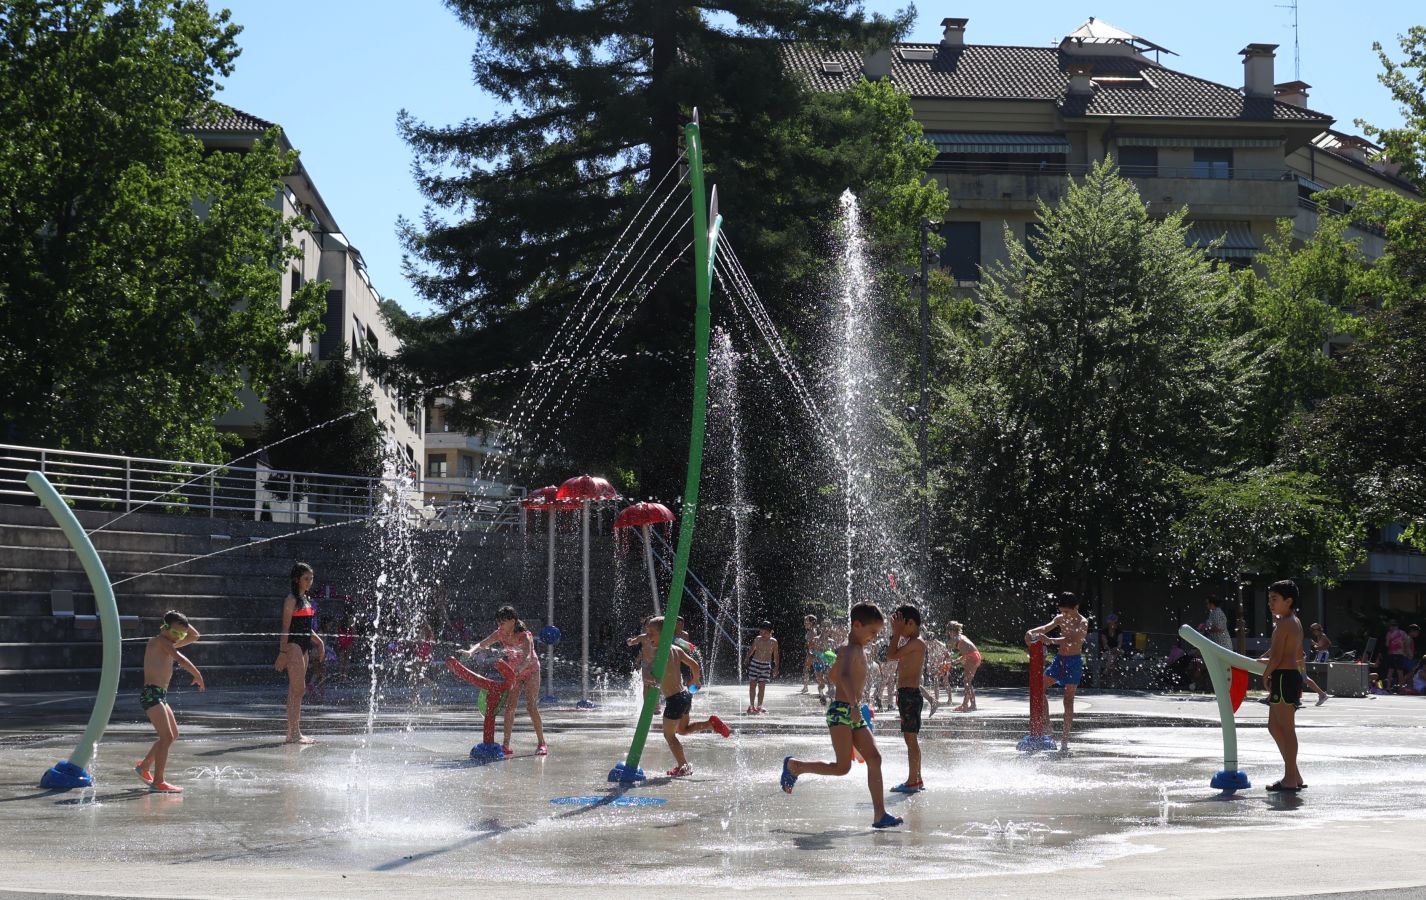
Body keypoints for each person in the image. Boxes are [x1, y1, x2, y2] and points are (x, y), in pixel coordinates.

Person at [779, 603, 902, 829]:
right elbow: (843, 674)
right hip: (842, 712)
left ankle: (880, 814)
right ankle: (795, 766)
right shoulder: (849, 649)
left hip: (853, 711)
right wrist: (854, 704)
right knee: (842, 767)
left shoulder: (853, 649)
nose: (874, 638)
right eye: (872, 632)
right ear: (857, 625)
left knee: (874, 758)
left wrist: (856, 701)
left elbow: (834, 675)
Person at [641, 615, 730, 776]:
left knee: (669, 735)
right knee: (683, 730)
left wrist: (648, 676)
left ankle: (683, 766)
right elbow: (694, 665)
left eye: (651, 633)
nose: (648, 637)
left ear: (664, 634)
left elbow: (649, 674)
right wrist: (695, 680)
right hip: (685, 695)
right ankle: (711, 724)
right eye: (647, 633)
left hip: (674, 700)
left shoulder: (658, 653)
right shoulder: (677, 649)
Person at [135, 611, 204, 793]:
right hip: (151, 694)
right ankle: (158, 781)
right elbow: (180, 659)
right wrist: (197, 675)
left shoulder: (170, 641)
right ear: (164, 628)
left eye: (181, 635)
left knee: (172, 735)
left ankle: (143, 766)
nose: (179, 638)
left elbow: (195, 635)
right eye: (176, 633)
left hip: (160, 695)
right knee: (165, 737)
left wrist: (180, 621)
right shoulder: (159, 642)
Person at [465, 605, 547, 756]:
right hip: (513, 673)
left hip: (531, 671)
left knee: (531, 706)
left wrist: (518, 669)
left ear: (513, 621)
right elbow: (483, 643)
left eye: (502, 622)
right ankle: (505, 745)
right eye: (498, 622)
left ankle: (542, 743)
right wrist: (470, 652)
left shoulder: (524, 635)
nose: (499, 625)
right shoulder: (500, 633)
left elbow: (528, 657)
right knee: (510, 707)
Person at [1026, 592, 1088, 752]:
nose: (1064, 615)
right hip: (1060, 660)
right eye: (1062, 611)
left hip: (1074, 662)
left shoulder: (1083, 622)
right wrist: (1031, 631)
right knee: (1039, 688)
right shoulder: (1060, 618)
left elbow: (1072, 639)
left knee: (1068, 701)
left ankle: (1065, 740)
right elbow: (1045, 628)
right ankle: (1048, 725)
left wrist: (1050, 640)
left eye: (1067, 611)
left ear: (1076, 608)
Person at [1261, 579, 1307, 792]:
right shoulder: (1294, 621)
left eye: (1274, 599)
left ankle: (1290, 779)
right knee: (1274, 727)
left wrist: (1265, 674)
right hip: (1289, 676)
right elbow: (1298, 654)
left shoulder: (1285, 624)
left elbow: (1278, 657)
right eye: (1269, 599)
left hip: (1283, 676)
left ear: (1288, 601)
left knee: (1287, 729)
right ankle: (1294, 774)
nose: (1270, 603)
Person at [276, 562, 324, 744]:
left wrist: (318, 642)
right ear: (296, 579)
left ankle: (292, 732)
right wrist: (282, 652)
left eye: (311, 578)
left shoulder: (306, 598)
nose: (310, 581)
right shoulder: (291, 599)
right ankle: (295, 733)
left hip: (304, 644)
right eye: (306, 578)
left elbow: (305, 627)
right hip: (293, 645)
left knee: (294, 691)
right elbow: (286, 628)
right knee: (299, 689)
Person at [886, 605, 929, 793]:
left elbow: (890, 655)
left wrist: (895, 633)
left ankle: (912, 781)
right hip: (907, 695)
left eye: (901, 627)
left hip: (910, 696)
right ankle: (917, 779)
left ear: (910, 623)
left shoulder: (917, 643)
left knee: (910, 740)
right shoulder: (913, 642)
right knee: (911, 740)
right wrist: (897, 631)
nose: (899, 632)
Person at [947, 621, 982, 712]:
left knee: (967, 681)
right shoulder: (961, 637)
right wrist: (957, 661)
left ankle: (968, 705)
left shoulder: (955, 638)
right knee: (967, 681)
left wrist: (947, 659)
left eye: (948, 631)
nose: (948, 633)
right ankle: (968, 704)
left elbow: (948, 650)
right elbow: (967, 653)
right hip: (976, 656)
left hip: (972, 657)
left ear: (951, 630)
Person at [745, 621, 779, 714]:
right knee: (752, 685)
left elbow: (776, 655)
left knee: (762, 686)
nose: (762, 634)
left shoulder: (773, 642)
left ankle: (759, 706)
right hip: (755, 664)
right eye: (761, 632)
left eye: (764, 633)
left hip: (765, 665)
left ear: (770, 632)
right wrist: (747, 657)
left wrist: (776, 667)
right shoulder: (758, 639)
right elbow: (752, 649)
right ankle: (751, 706)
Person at [1098, 613, 1125, 685]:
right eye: (1115, 622)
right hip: (1107, 652)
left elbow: (1120, 644)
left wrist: (1116, 648)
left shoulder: (1119, 631)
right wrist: (1110, 650)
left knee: (1115, 654)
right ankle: (1112, 682)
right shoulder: (1104, 632)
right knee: (1112, 657)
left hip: (1117, 651)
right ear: (1109, 623)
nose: (1116, 624)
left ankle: (1104, 674)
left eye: (1116, 622)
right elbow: (1105, 645)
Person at [800, 614, 820, 694]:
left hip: (812, 653)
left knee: (809, 669)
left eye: (806, 621)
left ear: (811, 623)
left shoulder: (813, 631)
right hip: (812, 652)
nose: (804, 623)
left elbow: (814, 643)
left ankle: (806, 687)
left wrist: (809, 647)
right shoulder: (812, 630)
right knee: (815, 670)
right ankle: (806, 687)